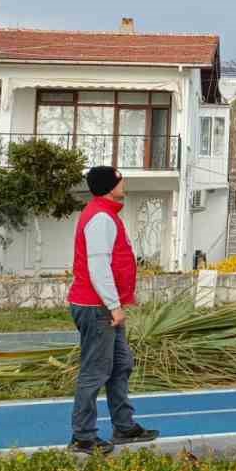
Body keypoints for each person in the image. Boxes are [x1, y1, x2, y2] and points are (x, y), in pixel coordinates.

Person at [66, 166, 159, 454]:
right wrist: (114, 306)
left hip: (104, 306)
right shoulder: (101, 218)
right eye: (120, 180)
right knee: (95, 371)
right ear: (109, 186)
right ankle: (83, 436)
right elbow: (98, 266)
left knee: (121, 365)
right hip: (97, 307)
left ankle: (124, 426)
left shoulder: (106, 214)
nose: (124, 183)